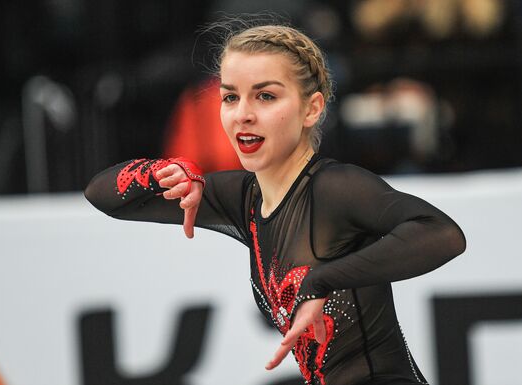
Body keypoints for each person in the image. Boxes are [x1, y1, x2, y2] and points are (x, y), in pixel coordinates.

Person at [85, 23, 466, 385]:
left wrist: (323, 279)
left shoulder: (335, 187)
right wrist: (166, 171)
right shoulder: (241, 198)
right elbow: (103, 195)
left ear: (312, 109)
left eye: (265, 96)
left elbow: (444, 235)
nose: (243, 114)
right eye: (231, 97)